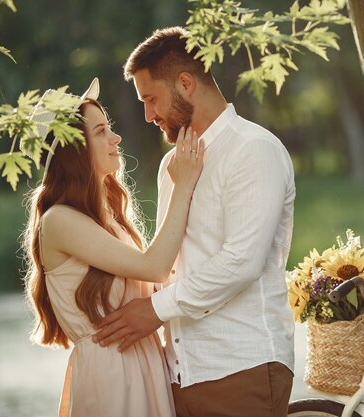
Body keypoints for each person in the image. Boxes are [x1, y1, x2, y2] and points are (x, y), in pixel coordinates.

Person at [93, 27, 296, 417]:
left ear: (185, 84)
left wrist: (153, 310)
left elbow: (241, 261)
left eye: (151, 99)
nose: (148, 115)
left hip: (241, 369)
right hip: (180, 375)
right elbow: (171, 264)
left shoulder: (253, 150)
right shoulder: (172, 165)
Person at [21, 77, 204, 417]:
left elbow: (156, 281)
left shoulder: (110, 219)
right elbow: (155, 266)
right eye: (101, 131)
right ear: (73, 150)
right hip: (112, 372)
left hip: (145, 364)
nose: (115, 137)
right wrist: (184, 185)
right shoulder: (59, 221)